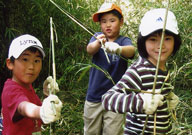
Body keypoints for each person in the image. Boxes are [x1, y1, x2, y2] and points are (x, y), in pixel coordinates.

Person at [102, 8, 181, 135]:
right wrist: (141, 102)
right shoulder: (138, 70)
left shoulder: (162, 67)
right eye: (153, 39)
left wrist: (169, 96)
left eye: (167, 39)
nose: (160, 46)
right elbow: (108, 99)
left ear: (175, 41)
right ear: (142, 42)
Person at [84, 2, 135, 135]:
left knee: (113, 131)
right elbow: (89, 50)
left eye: (112, 20)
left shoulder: (124, 41)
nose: (107, 25)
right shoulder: (97, 37)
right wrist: (98, 42)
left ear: (121, 22)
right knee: (91, 130)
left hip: (115, 97)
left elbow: (131, 51)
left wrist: (118, 49)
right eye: (103, 21)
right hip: (94, 96)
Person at [1, 34, 63, 135]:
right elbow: (24, 108)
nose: (31, 66)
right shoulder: (10, 90)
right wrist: (41, 112)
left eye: (36, 61)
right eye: (25, 59)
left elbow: (41, 117)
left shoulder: (28, 87)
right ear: (10, 63)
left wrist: (47, 95)